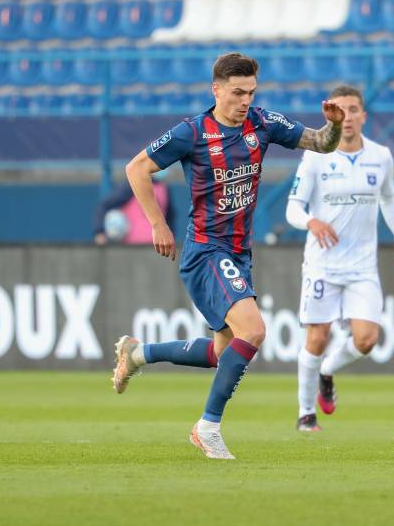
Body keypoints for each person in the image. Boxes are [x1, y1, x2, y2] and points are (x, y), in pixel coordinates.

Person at [112, 52, 345, 459]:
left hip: (238, 254)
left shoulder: (264, 123)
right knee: (253, 331)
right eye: (237, 93)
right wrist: (156, 223)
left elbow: (321, 144)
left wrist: (335, 125)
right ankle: (208, 427)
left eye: (251, 93)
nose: (245, 102)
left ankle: (137, 353)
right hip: (206, 251)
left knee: (223, 352)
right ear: (216, 90)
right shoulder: (192, 132)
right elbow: (136, 168)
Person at [285, 85, 394, 432]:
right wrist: (311, 220)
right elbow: (293, 207)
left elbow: (388, 197)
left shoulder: (381, 156)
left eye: (353, 109)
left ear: (363, 115)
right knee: (316, 338)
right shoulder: (316, 156)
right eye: (340, 109)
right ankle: (305, 414)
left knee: (366, 341)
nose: (348, 116)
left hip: (361, 267)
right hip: (323, 265)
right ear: (330, 115)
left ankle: (327, 371)